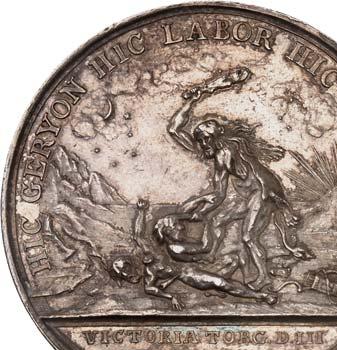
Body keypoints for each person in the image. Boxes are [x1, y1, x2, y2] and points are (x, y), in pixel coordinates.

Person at [167, 78, 310, 291]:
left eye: (205, 139)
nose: (202, 144)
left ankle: (264, 278)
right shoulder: (218, 154)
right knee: (217, 221)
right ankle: (210, 254)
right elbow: (174, 130)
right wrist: (202, 207)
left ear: (214, 137)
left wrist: (283, 206)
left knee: (248, 237)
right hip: (251, 195)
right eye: (200, 140)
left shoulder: (227, 151)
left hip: (264, 193)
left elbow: (259, 179)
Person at [113, 199, 277, 310]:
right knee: (220, 282)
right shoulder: (151, 272)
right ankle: (261, 296)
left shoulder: (152, 250)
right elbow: (150, 289)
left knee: (233, 259)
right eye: (126, 273)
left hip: (194, 265)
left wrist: (141, 212)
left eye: (127, 267)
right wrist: (170, 297)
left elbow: (138, 236)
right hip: (189, 275)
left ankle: (219, 289)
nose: (130, 272)